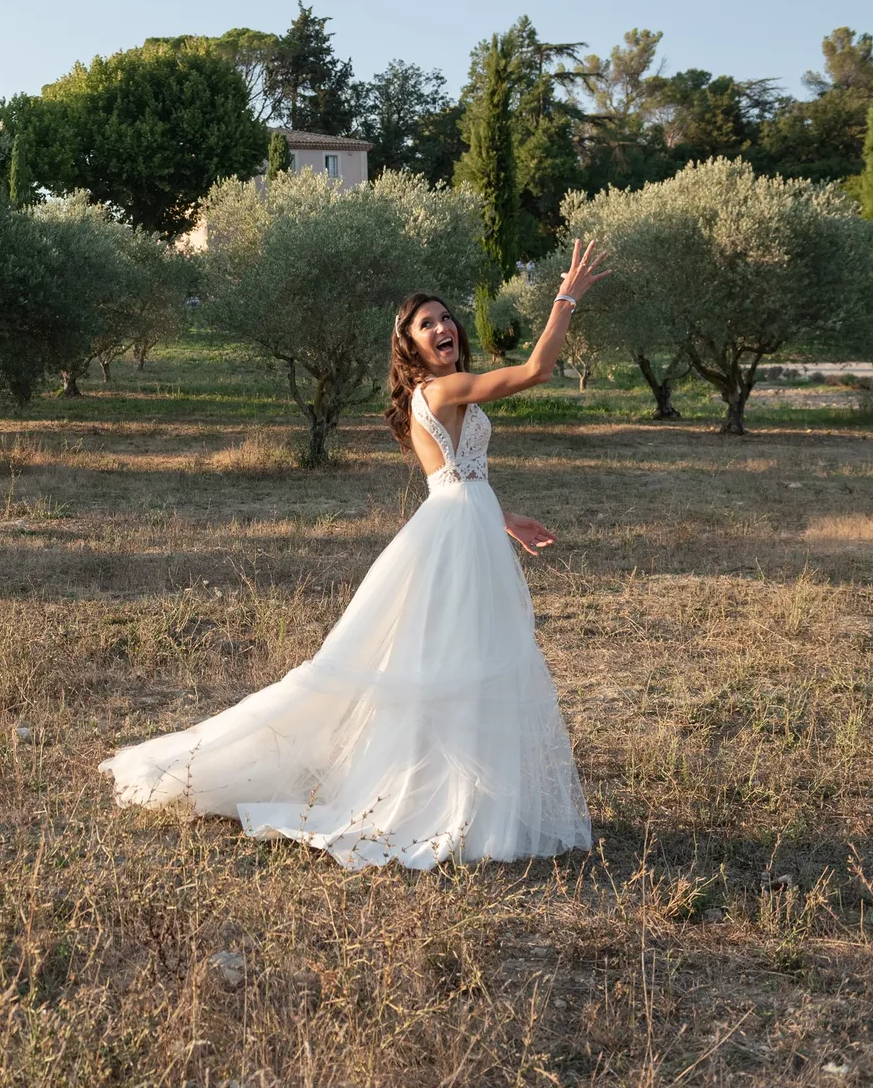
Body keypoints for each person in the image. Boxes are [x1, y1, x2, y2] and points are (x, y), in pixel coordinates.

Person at [101, 242, 608, 870]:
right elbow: (534, 371)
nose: (444, 326)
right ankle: (433, 800)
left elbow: (452, 477)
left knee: (465, 662)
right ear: (410, 343)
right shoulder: (443, 388)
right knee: (448, 666)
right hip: (450, 543)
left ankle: (470, 803)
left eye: (447, 318)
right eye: (428, 323)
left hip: (462, 531)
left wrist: (501, 519)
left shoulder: (442, 393)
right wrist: (565, 299)